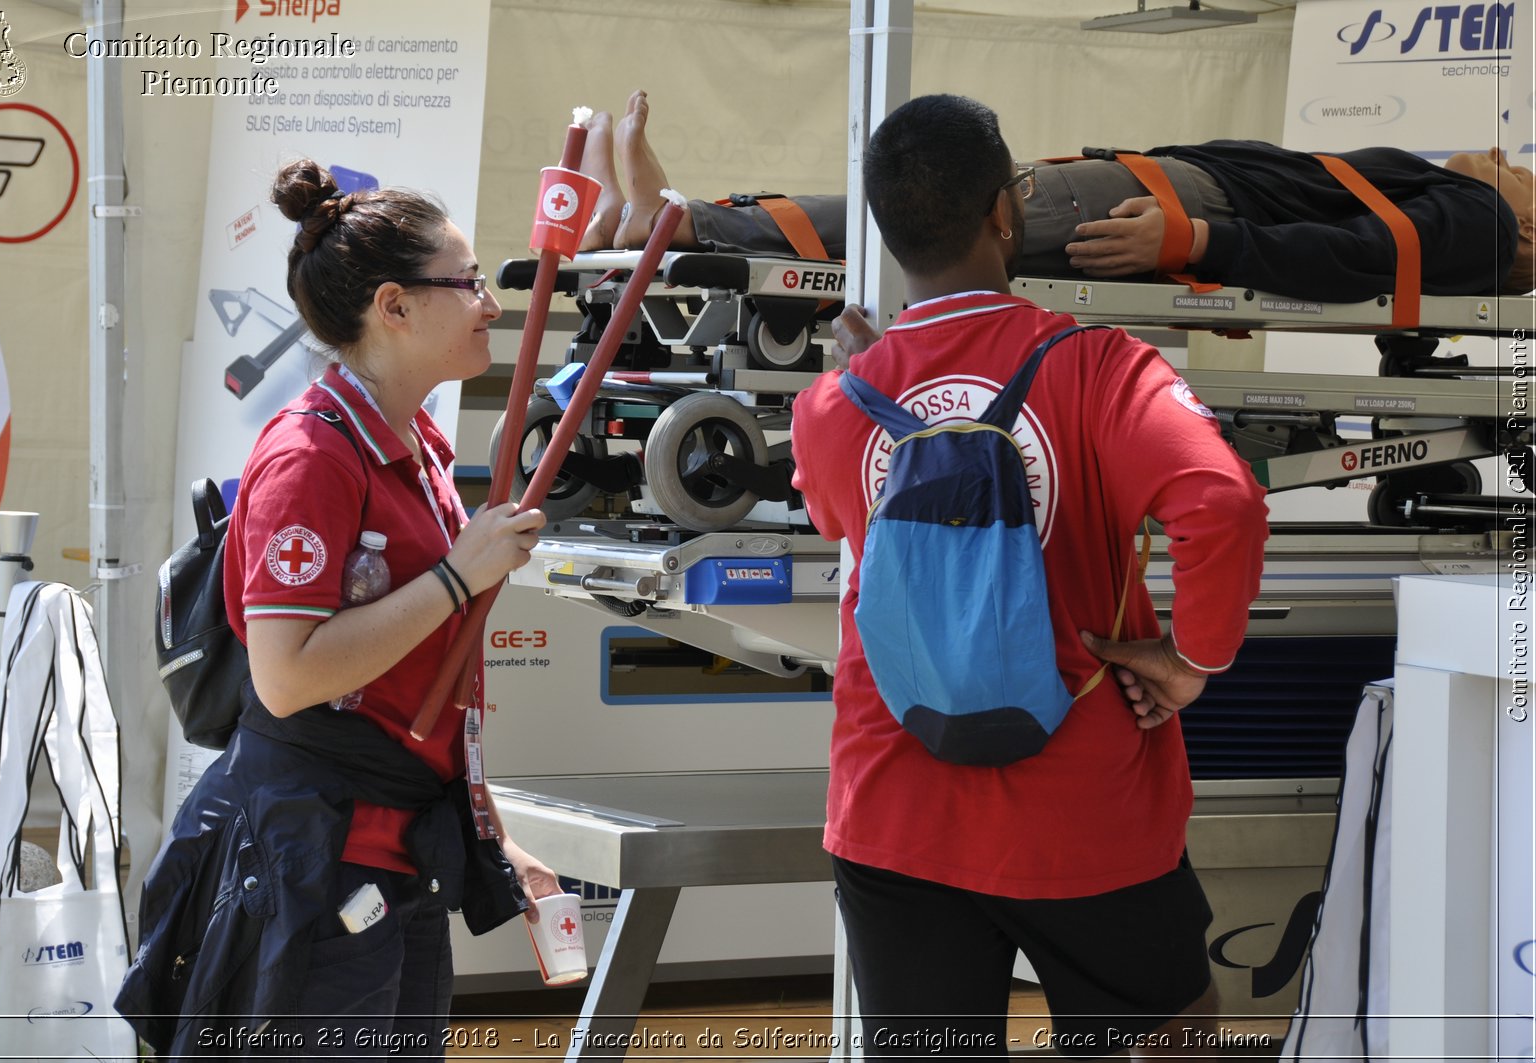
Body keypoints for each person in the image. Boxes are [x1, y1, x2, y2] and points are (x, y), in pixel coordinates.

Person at [787, 95, 1270, 1059]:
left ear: (885, 231)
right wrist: (1191, 660)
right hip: (1083, 807)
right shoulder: (1098, 367)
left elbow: (845, 520)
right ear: (1005, 213)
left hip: (895, 806)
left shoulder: (836, 401)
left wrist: (865, 378)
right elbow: (1223, 501)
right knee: (1171, 1036)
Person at [117, 160, 555, 1059]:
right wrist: (453, 580)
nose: (490, 303)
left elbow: (429, 688)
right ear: (393, 305)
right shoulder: (312, 455)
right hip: (311, 869)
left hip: (400, 862)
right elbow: (286, 677)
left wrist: (493, 836)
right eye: (467, 281)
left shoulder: (417, 443)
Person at [579, 91, 1535, 301]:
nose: (1500, 152)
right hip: (1157, 192)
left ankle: (688, 220)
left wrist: (1194, 238)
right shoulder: (1448, 201)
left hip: (1160, 202)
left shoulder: (1481, 221)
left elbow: (1361, 261)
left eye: (1523, 166)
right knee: (924, 196)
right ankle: (682, 219)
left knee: (926, 194)